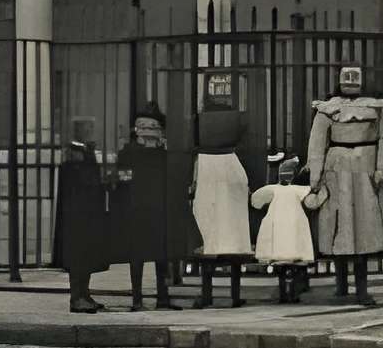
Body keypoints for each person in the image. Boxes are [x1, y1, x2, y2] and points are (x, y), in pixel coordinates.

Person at [306, 61, 383, 306]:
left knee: (363, 230)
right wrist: (315, 177)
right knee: (340, 228)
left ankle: (361, 289)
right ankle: (341, 286)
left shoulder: (378, 108)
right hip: (337, 170)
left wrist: (382, 168)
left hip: (365, 171)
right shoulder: (328, 109)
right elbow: (317, 145)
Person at [188, 71, 259, 308]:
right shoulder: (238, 119)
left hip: (207, 167)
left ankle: (207, 294)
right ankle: (235, 293)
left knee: (208, 234)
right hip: (231, 165)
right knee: (234, 235)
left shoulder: (198, 120)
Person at [107, 100, 187, 311]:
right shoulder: (141, 154)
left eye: (153, 128)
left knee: (156, 255)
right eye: (145, 127)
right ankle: (142, 298)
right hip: (142, 210)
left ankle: (154, 297)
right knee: (142, 256)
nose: (149, 132)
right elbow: (123, 180)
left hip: (149, 209)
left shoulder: (145, 154)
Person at [55, 116, 113, 314]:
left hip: (86, 211)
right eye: (88, 128)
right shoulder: (74, 152)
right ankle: (77, 297)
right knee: (79, 256)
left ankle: (84, 294)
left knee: (86, 255)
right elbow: (82, 181)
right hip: (78, 213)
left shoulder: (83, 150)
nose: (91, 131)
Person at [249, 150, 322, 304]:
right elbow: (313, 198)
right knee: (294, 268)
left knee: (281, 269)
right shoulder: (297, 190)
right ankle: (293, 294)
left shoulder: (274, 189)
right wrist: (323, 192)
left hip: (278, 234)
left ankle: (284, 294)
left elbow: (256, 200)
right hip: (294, 231)